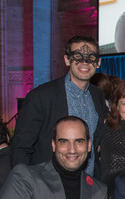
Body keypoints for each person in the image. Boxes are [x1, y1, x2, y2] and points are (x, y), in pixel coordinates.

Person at [10, 35, 108, 176]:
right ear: (67, 60)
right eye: (77, 57)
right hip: (49, 184)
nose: (84, 63)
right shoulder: (41, 96)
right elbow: (20, 148)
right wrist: (26, 186)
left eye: (91, 58)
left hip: (89, 185)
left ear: (98, 62)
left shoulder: (97, 95)